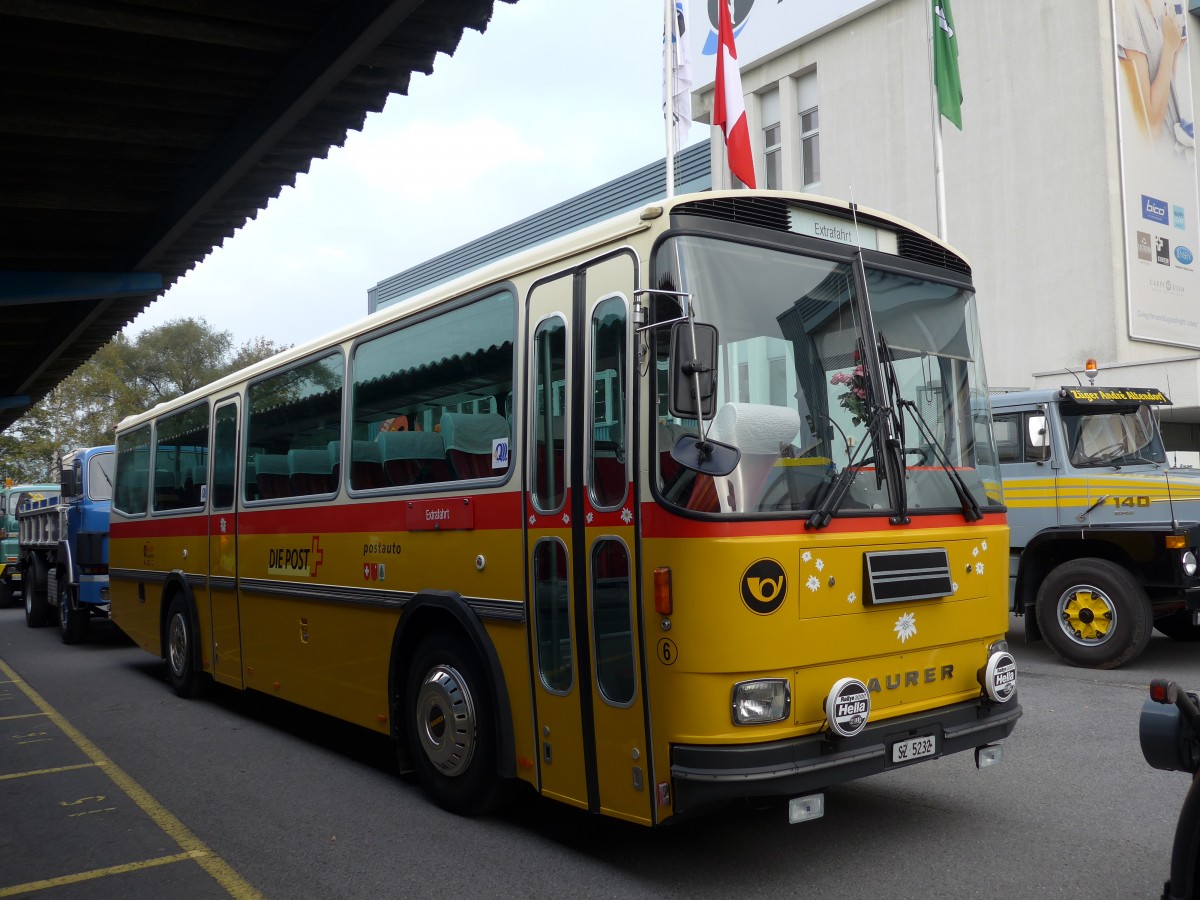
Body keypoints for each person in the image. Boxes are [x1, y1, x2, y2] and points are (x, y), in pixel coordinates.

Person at [1117, 0, 1192, 147]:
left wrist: (1174, 51)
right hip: (1164, 161)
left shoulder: (1149, 6)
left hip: (1175, 155)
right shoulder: (1128, 11)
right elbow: (1150, 127)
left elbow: (1165, 95)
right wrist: (1169, 48)